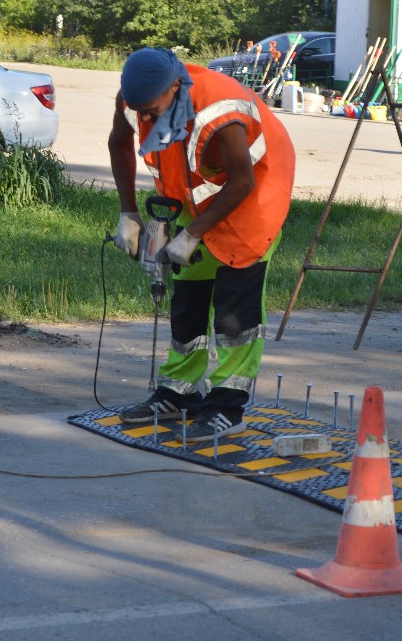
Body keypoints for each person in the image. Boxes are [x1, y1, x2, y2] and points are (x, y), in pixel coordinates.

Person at [108, 47, 296, 443]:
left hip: (257, 190)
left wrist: (192, 234)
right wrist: (129, 213)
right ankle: (181, 392)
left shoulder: (219, 111)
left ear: (175, 88)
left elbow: (243, 181)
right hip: (203, 196)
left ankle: (228, 403)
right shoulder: (138, 97)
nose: (143, 118)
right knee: (189, 291)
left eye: (151, 111)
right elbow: (119, 142)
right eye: (138, 109)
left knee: (234, 304)